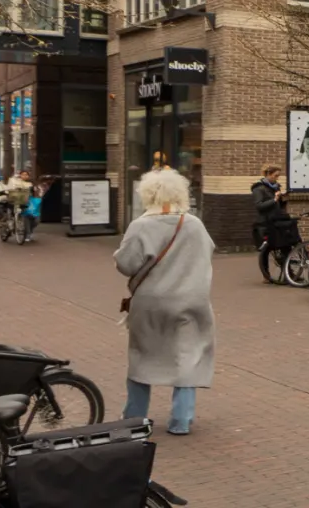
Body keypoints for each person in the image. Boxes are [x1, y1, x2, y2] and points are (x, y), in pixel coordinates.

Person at [114, 168, 214, 435]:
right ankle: (181, 420)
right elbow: (206, 254)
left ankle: (134, 417)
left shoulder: (141, 226)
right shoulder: (194, 224)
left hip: (150, 302)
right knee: (187, 356)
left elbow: (126, 264)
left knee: (142, 355)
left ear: (148, 195)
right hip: (191, 300)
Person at [250, 167, 294, 277]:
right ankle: (266, 275)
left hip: (277, 221)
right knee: (266, 249)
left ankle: (289, 273)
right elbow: (259, 206)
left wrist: (283, 199)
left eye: (278, 176)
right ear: (268, 174)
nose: (277, 178)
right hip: (265, 223)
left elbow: (278, 205)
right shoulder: (259, 189)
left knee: (285, 246)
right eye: (275, 176)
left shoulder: (276, 187)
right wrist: (274, 199)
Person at [0, 169, 36, 243]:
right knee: (9, 212)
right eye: (23, 174)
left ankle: (25, 231)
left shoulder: (30, 183)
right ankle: (6, 224)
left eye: (26, 175)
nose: (24, 176)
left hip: (23, 202)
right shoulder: (13, 181)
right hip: (12, 201)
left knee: (28, 216)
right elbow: (7, 188)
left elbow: (33, 192)